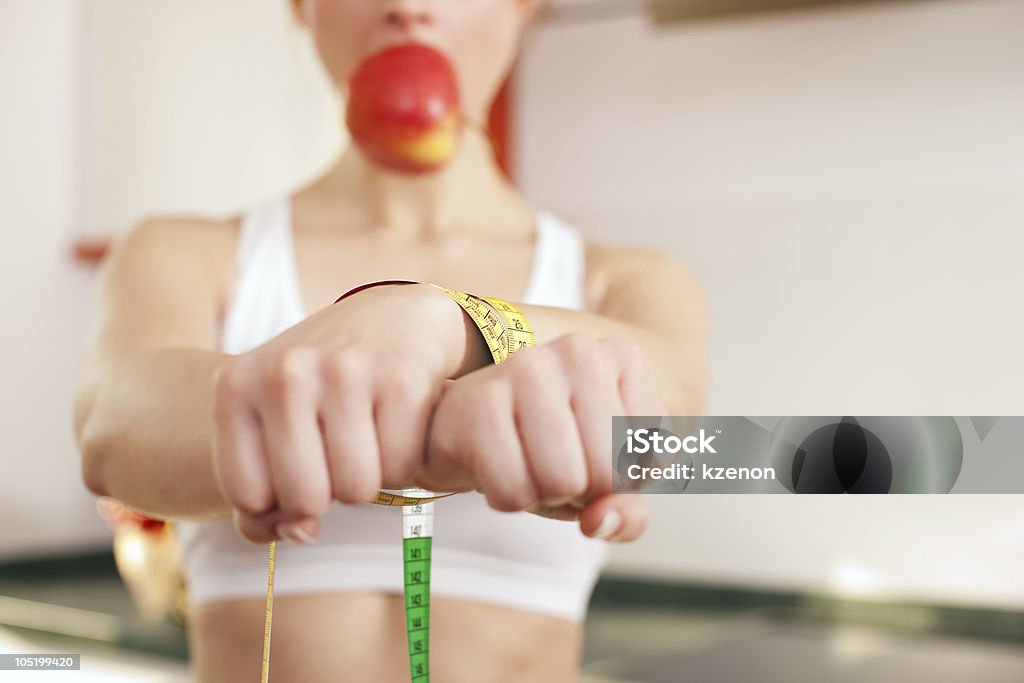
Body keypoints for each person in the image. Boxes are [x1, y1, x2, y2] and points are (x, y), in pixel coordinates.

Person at [72, 1, 710, 681]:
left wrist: (445, 325)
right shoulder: (186, 253)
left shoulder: (629, 278)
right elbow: (114, 432)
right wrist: (429, 426)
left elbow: (669, 410)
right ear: (302, 8)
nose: (408, 8)